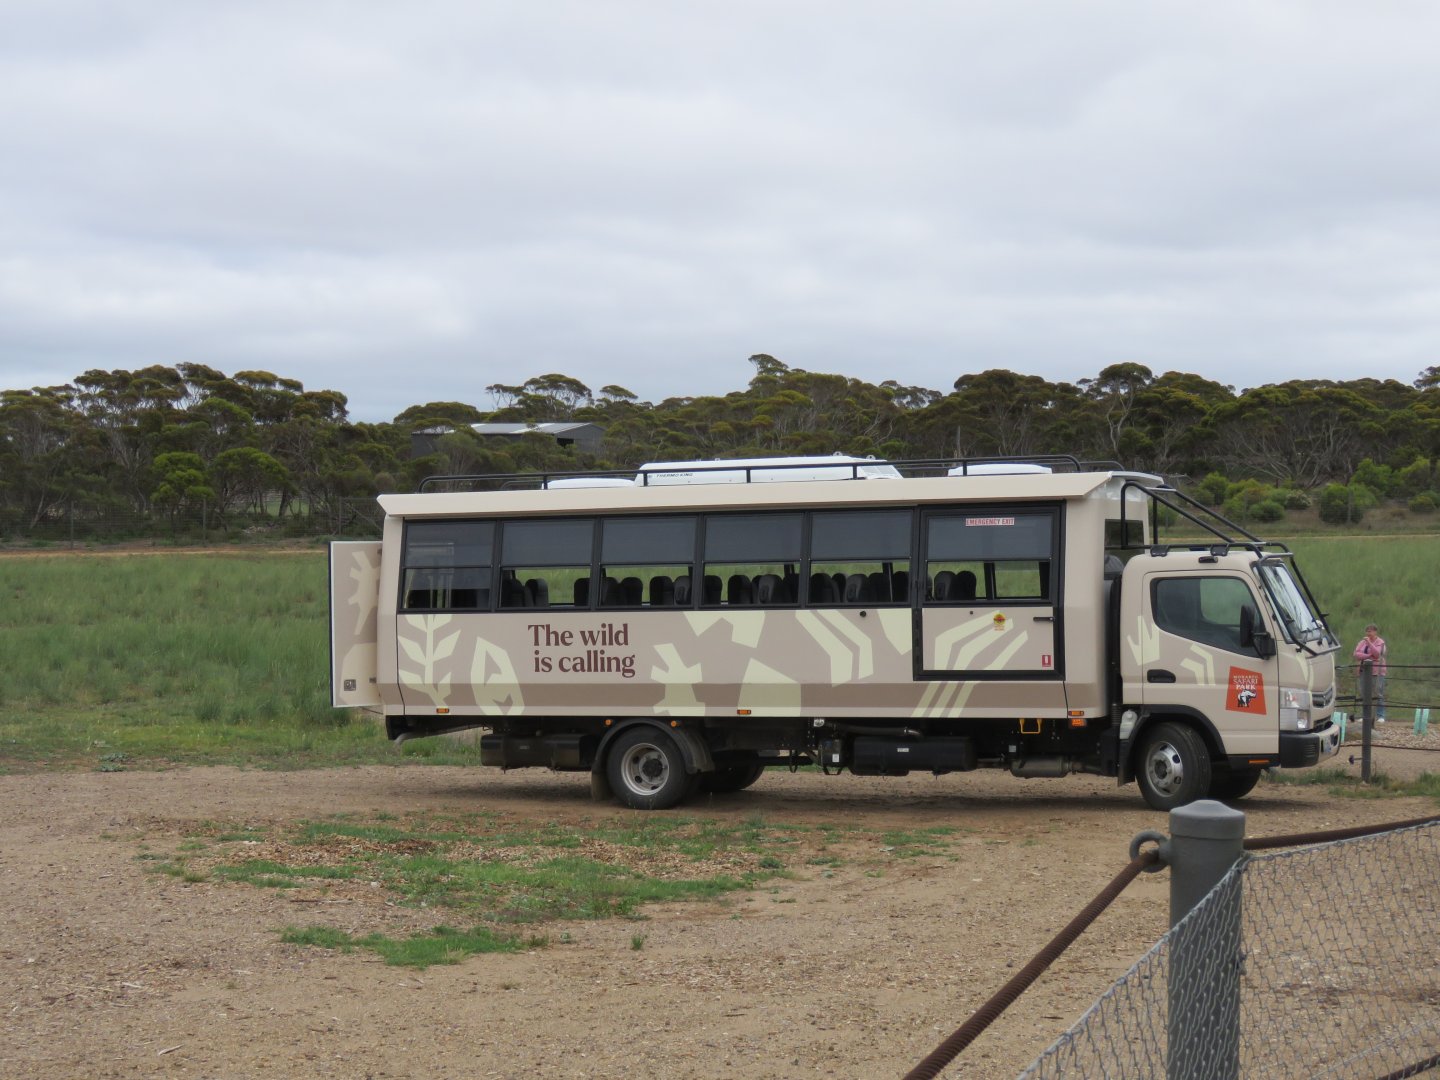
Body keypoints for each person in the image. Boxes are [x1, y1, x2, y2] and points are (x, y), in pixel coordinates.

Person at [1353, 624, 1388, 723]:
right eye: (1367, 631)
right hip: (1364, 670)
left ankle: (1380, 715)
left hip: (1377, 671)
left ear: (1375, 632)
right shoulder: (1362, 642)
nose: (1369, 633)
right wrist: (1368, 655)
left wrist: (1369, 643)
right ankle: (1365, 714)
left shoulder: (1380, 642)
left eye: (1371, 631)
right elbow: (1356, 654)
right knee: (1364, 693)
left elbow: (1377, 654)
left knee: (1378, 692)